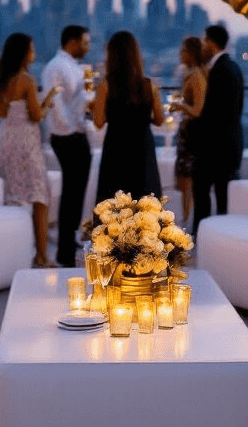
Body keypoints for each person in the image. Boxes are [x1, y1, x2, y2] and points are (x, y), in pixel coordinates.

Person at [0, 32, 56, 268]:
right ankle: (41, 255)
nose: (34, 53)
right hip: (26, 141)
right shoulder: (26, 80)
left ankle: (11, 256)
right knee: (40, 196)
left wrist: (14, 109)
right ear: (24, 53)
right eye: (32, 49)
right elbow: (36, 116)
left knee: (12, 195)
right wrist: (47, 102)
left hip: (5, 137)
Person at [41, 25, 93, 268]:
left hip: (77, 133)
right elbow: (56, 104)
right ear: (72, 42)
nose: (87, 46)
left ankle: (69, 241)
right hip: (66, 136)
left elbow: (78, 101)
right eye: (84, 42)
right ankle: (63, 252)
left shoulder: (74, 66)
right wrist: (72, 129)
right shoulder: (56, 67)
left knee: (77, 193)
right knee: (71, 193)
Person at [92, 30, 164, 202]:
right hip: (142, 148)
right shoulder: (150, 86)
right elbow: (160, 120)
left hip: (116, 149)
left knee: (115, 201)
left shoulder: (105, 85)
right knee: (144, 199)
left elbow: (98, 122)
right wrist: (144, 117)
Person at [192, 24, 244, 232]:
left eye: (204, 42)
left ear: (211, 43)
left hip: (215, 148)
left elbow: (213, 113)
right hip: (229, 144)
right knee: (222, 199)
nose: (202, 46)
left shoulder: (220, 71)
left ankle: (202, 237)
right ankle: (218, 238)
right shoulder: (233, 67)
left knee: (203, 195)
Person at [169, 35, 207, 226]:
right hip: (187, 133)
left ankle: (187, 221)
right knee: (184, 181)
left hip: (193, 135)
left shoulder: (197, 76)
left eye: (184, 50)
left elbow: (197, 110)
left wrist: (179, 106)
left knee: (188, 181)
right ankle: (186, 219)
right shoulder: (191, 73)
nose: (180, 54)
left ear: (191, 53)